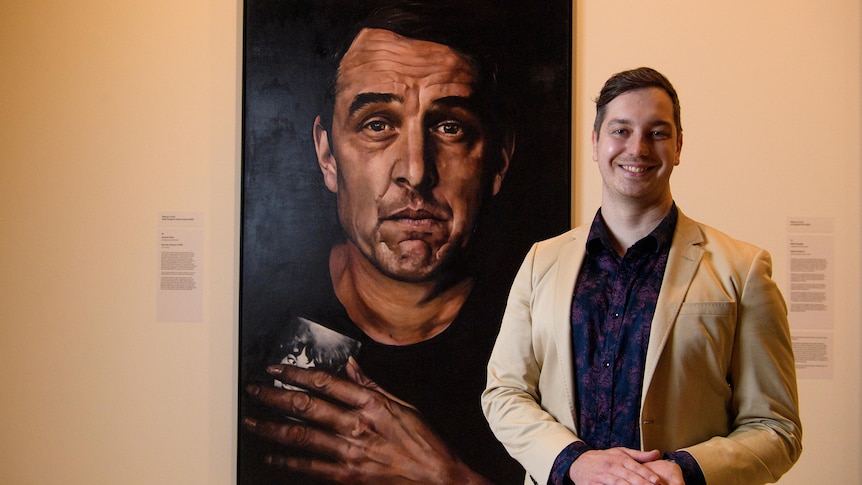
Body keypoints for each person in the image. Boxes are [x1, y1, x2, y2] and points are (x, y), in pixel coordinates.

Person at [240, 2, 537, 484]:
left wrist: (448, 478)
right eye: (377, 124)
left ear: (498, 160)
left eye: (450, 127)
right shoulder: (259, 322)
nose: (416, 172)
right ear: (327, 155)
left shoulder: (547, 331)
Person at [482, 67, 802, 485]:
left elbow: (777, 428)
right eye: (621, 130)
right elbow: (504, 394)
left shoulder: (743, 270)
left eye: (657, 133)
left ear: (679, 145)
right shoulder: (541, 262)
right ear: (595, 143)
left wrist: (685, 470)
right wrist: (573, 461)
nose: (637, 148)